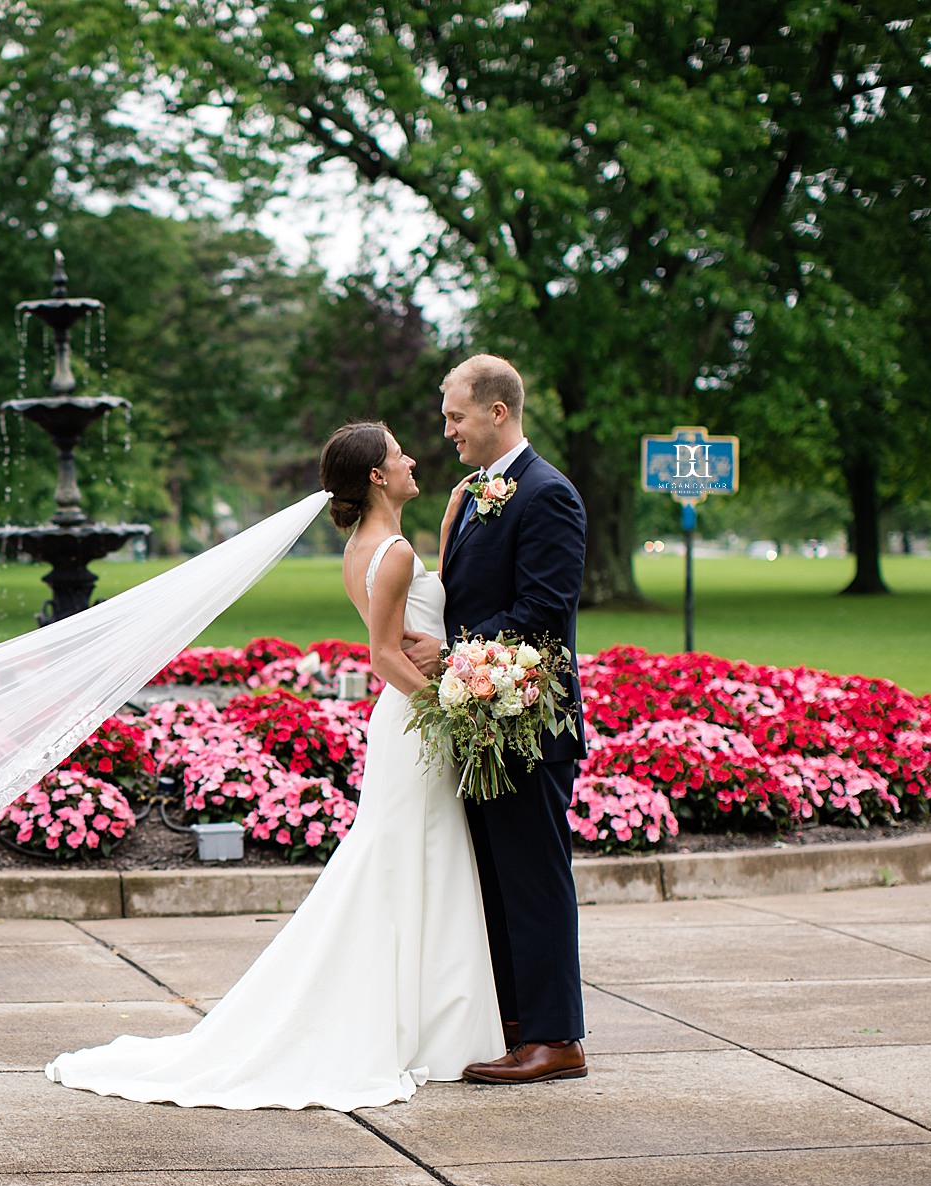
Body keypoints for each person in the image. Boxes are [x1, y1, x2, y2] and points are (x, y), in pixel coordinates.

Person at [44, 422, 504, 1110]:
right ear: (377, 475)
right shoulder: (397, 552)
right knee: (411, 859)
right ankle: (427, 1026)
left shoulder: (368, 546)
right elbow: (383, 653)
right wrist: (448, 704)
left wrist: (450, 513)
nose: (411, 457)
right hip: (415, 721)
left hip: (402, 721)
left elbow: (409, 617)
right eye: (399, 452)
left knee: (411, 860)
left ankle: (428, 1021)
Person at [407, 354, 589, 1085]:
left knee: (535, 880)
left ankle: (556, 1037)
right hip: (486, 723)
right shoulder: (479, 493)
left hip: (530, 725)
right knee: (497, 880)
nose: (447, 429)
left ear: (497, 412)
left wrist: (447, 653)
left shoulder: (547, 495)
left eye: (455, 415)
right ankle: (515, 1023)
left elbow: (540, 618)